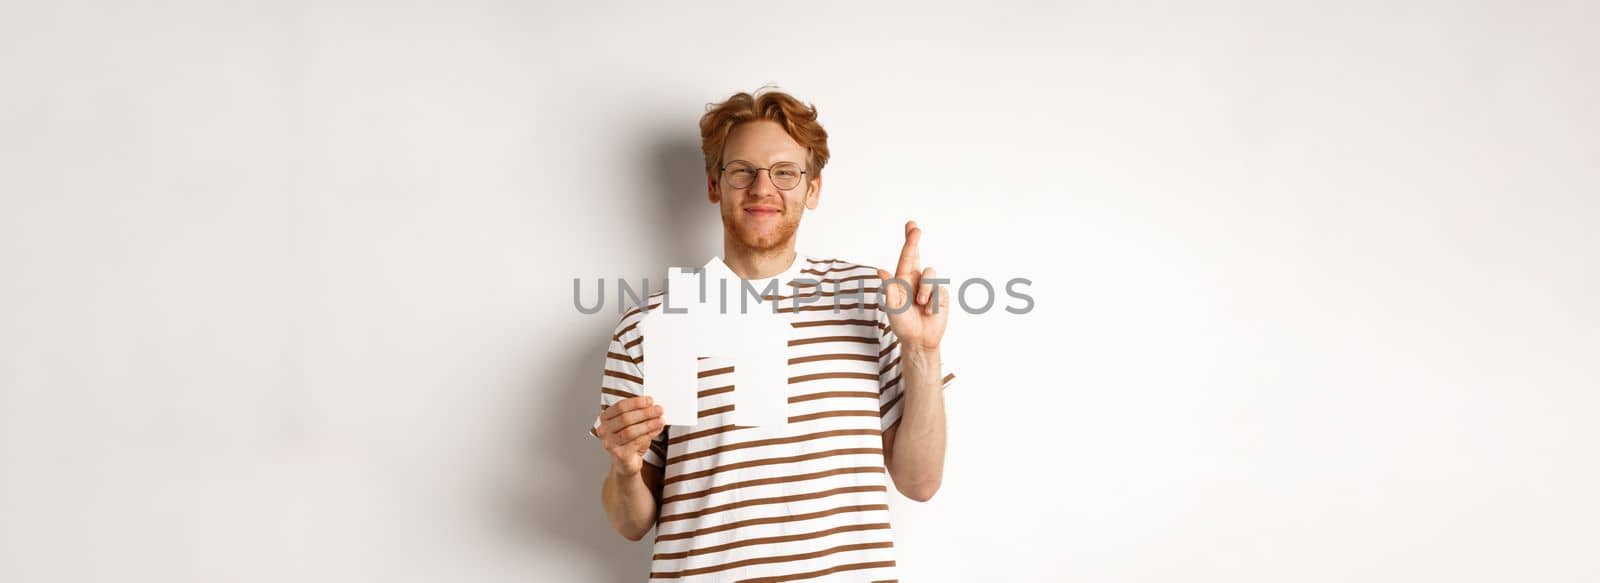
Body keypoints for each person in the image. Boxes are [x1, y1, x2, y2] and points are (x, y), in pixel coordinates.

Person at [589, 87, 955, 581]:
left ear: (814, 189)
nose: (763, 188)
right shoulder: (650, 326)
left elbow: (920, 482)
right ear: (715, 185)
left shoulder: (871, 300)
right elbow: (630, 522)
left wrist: (922, 349)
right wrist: (626, 468)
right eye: (742, 170)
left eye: (785, 172)